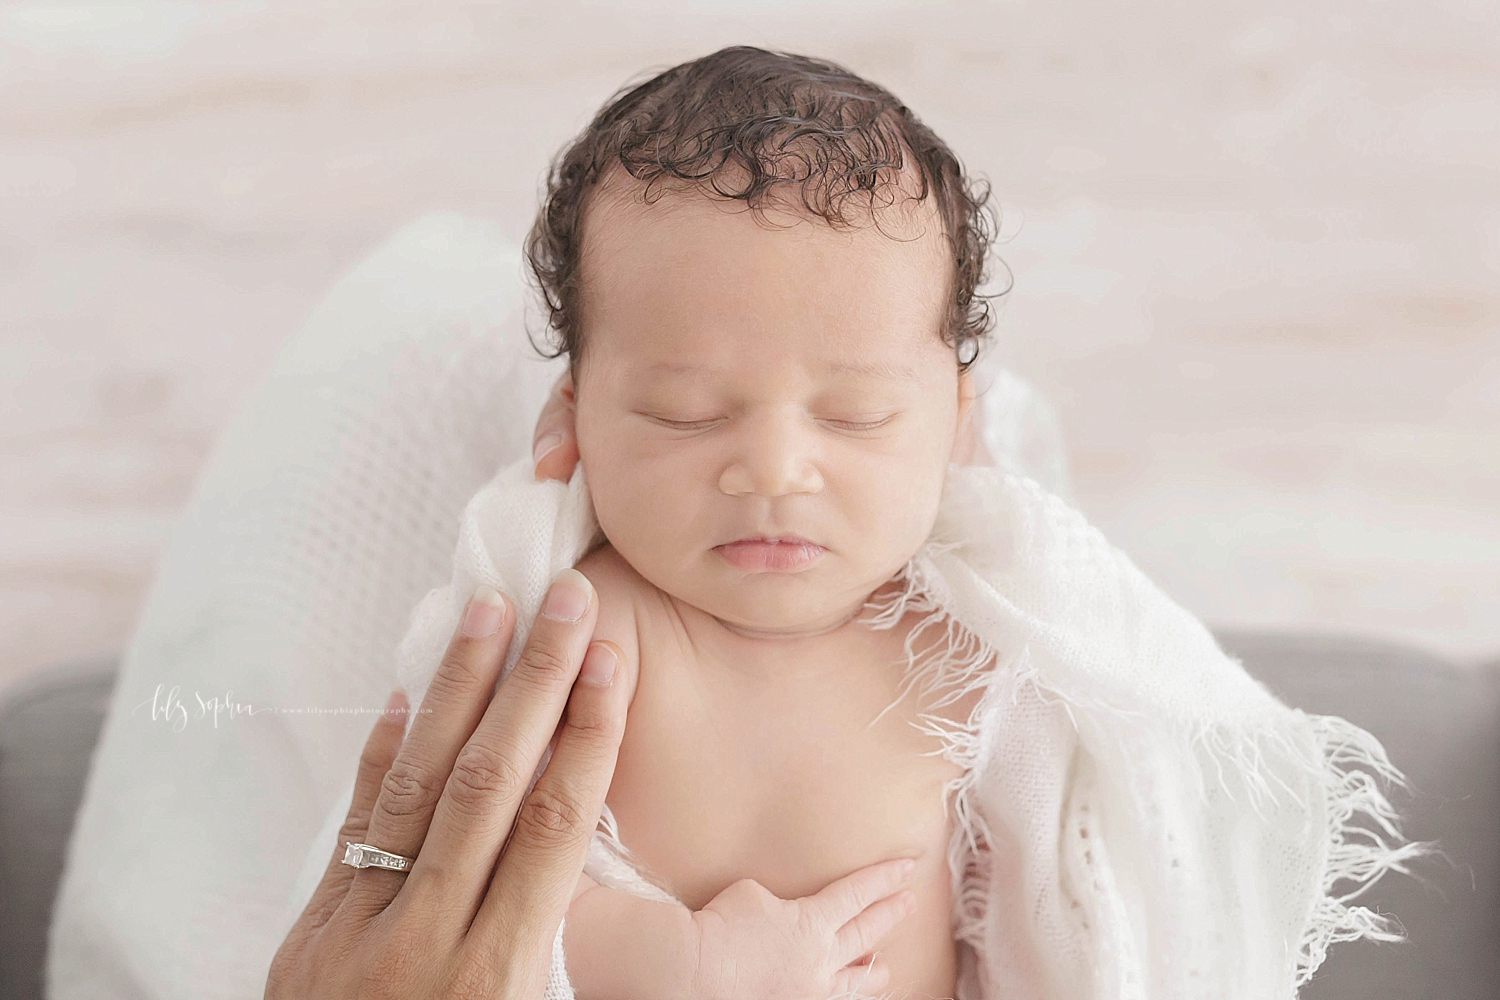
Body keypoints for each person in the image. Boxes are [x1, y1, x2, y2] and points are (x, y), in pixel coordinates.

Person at [515, 46, 1000, 1000]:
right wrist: (681, 966)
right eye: (684, 412)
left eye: (855, 415)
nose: (774, 469)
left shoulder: (971, 643)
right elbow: (476, 898)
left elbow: (1067, 890)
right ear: (569, 424)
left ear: (958, 427)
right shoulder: (593, 636)